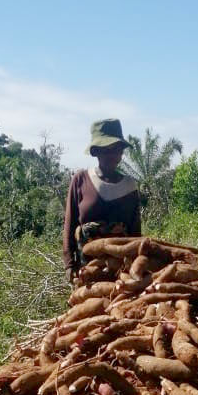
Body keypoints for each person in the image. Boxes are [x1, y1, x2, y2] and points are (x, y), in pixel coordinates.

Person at [63, 118, 141, 281]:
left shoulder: (130, 186)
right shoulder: (80, 180)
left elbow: (136, 233)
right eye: (106, 149)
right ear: (95, 151)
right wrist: (69, 264)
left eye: (116, 149)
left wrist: (137, 267)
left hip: (122, 271)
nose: (112, 154)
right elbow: (70, 224)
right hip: (88, 269)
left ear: (121, 152)